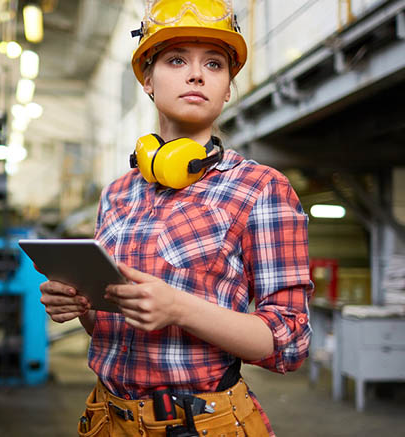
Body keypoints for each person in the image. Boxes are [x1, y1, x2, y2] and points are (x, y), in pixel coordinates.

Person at [39, 1, 313, 436]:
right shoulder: (117, 193)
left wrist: (180, 308)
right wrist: (79, 307)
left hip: (200, 425)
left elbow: (291, 343)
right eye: (176, 59)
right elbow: (108, 327)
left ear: (227, 88)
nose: (197, 74)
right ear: (147, 80)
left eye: (215, 64)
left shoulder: (261, 189)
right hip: (106, 419)